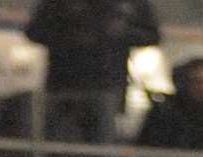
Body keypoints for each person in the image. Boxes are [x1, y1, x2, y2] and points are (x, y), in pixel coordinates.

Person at [26, 0, 161, 143]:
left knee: (101, 143)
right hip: (64, 84)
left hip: (106, 86)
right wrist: (70, 34)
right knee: (59, 141)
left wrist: (120, 32)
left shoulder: (131, 5)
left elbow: (152, 35)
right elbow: (35, 31)